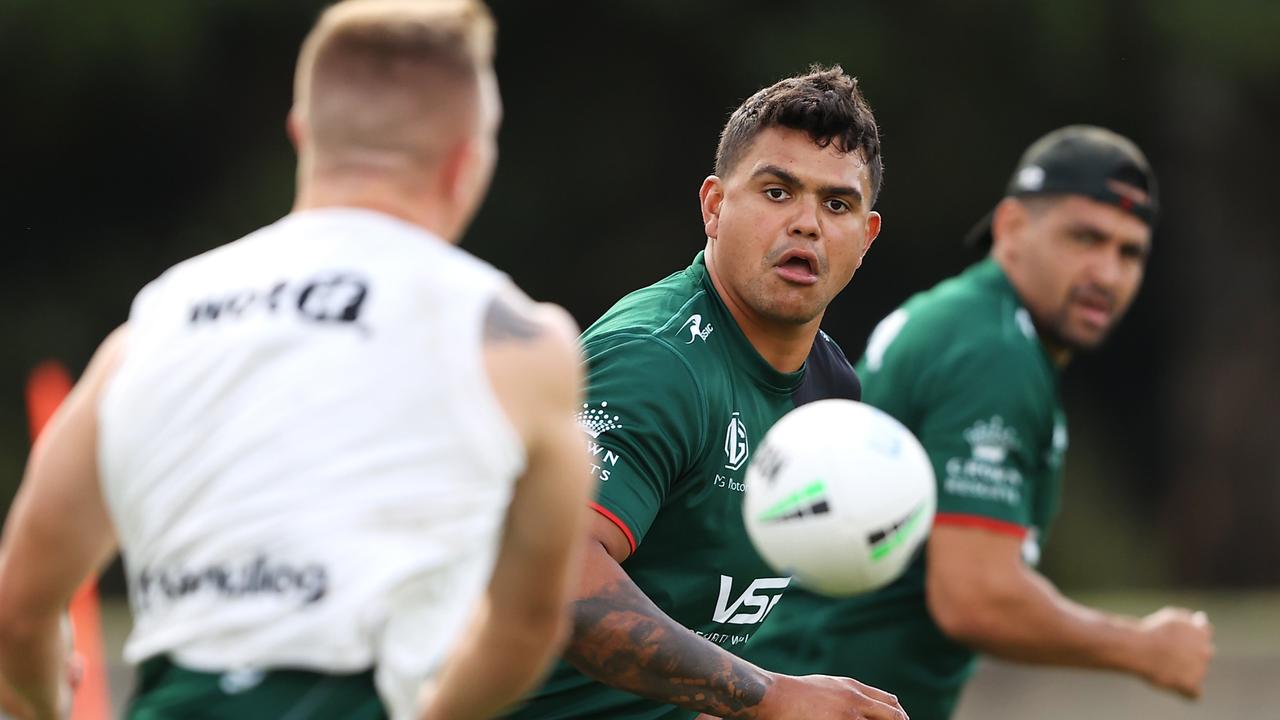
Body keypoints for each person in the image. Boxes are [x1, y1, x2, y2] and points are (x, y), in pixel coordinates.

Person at [0, 1, 592, 719]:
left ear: (302, 134)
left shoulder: (156, 322)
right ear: (468, 159)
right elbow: (529, 622)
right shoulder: (516, 341)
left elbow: (19, 609)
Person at [746, 126, 1216, 720]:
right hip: (822, 689)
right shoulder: (994, 352)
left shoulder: (974, 321)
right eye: (1085, 238)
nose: (1107, 273)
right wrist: (1143, 647)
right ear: (1013, 228)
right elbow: (975, 597)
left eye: (1129, 253)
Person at [505, 66, 906, 720]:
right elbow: (554, 573)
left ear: (865, 237)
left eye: (836, 205)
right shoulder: (657, 361)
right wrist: (768, 697)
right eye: (777, 191)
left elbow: (705, 629)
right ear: (715, 206)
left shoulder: (830, 389)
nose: (806, 223)